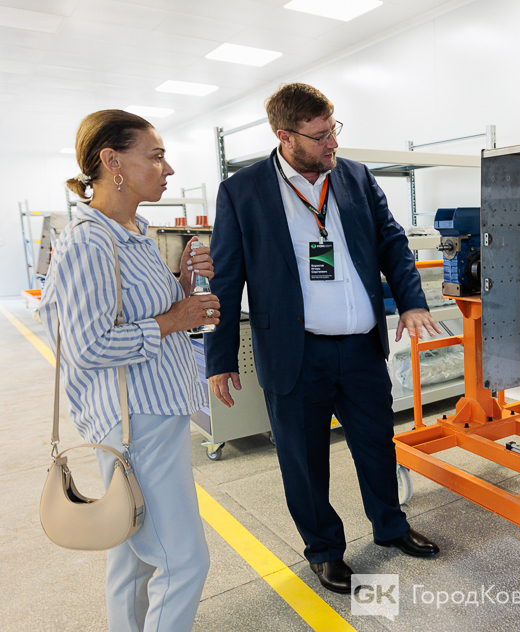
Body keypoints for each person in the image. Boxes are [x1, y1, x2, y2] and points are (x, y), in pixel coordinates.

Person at [204, 83, 442, 595]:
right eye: (319, 136)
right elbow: (225, 279)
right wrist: (219, 357)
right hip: (295, 353)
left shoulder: (355, 176)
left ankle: (390, 526)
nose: (332, 142)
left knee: (376, 445)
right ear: (285, 136)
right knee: (304, 459)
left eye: (333, 129)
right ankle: (324, 551)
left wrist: (412, 301)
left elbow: (392, 242)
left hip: (360, 348)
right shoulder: (243, 190)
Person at [39, 110, 218, 632]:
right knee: (184, 561)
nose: (168, 168)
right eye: (156, 156)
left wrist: (182, 287)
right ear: (112, 161)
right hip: (134, 421)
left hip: (152, 411)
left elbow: (136, 313)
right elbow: (87, 346)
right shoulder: (89, 242)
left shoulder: (132, 231)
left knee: (134, 555)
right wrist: (175, 318)